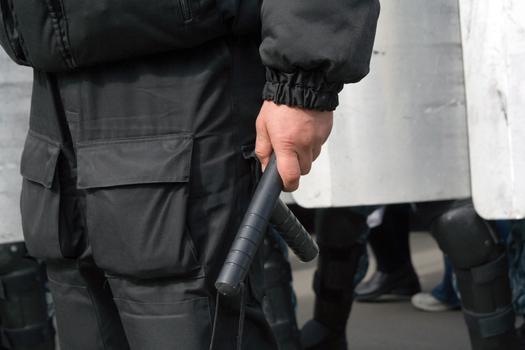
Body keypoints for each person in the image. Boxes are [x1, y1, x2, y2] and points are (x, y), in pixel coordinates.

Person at [0, 1, 380, 349]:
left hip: (188, 75)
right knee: (83, 305)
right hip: (52, 86)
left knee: (188, 316)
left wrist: (304, 82)